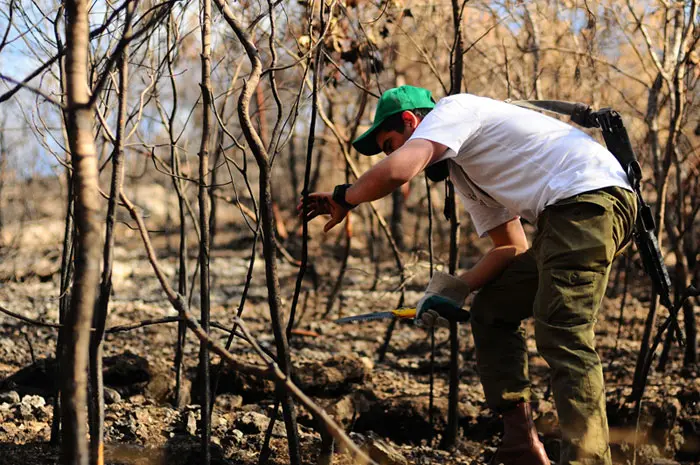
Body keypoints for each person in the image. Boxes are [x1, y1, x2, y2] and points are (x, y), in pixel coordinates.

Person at [298, 85, 636, 465]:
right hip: (569, 218)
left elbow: (398, 171)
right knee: (492, 309)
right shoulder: (466, 172)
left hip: (588, 202)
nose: (393, 154)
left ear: (413, 121)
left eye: (392, 143)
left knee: (563, 332)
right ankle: (520, 443)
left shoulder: (454, 110)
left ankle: (588, 460)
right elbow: (511, 247)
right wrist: (455, 290)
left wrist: (344, 197)